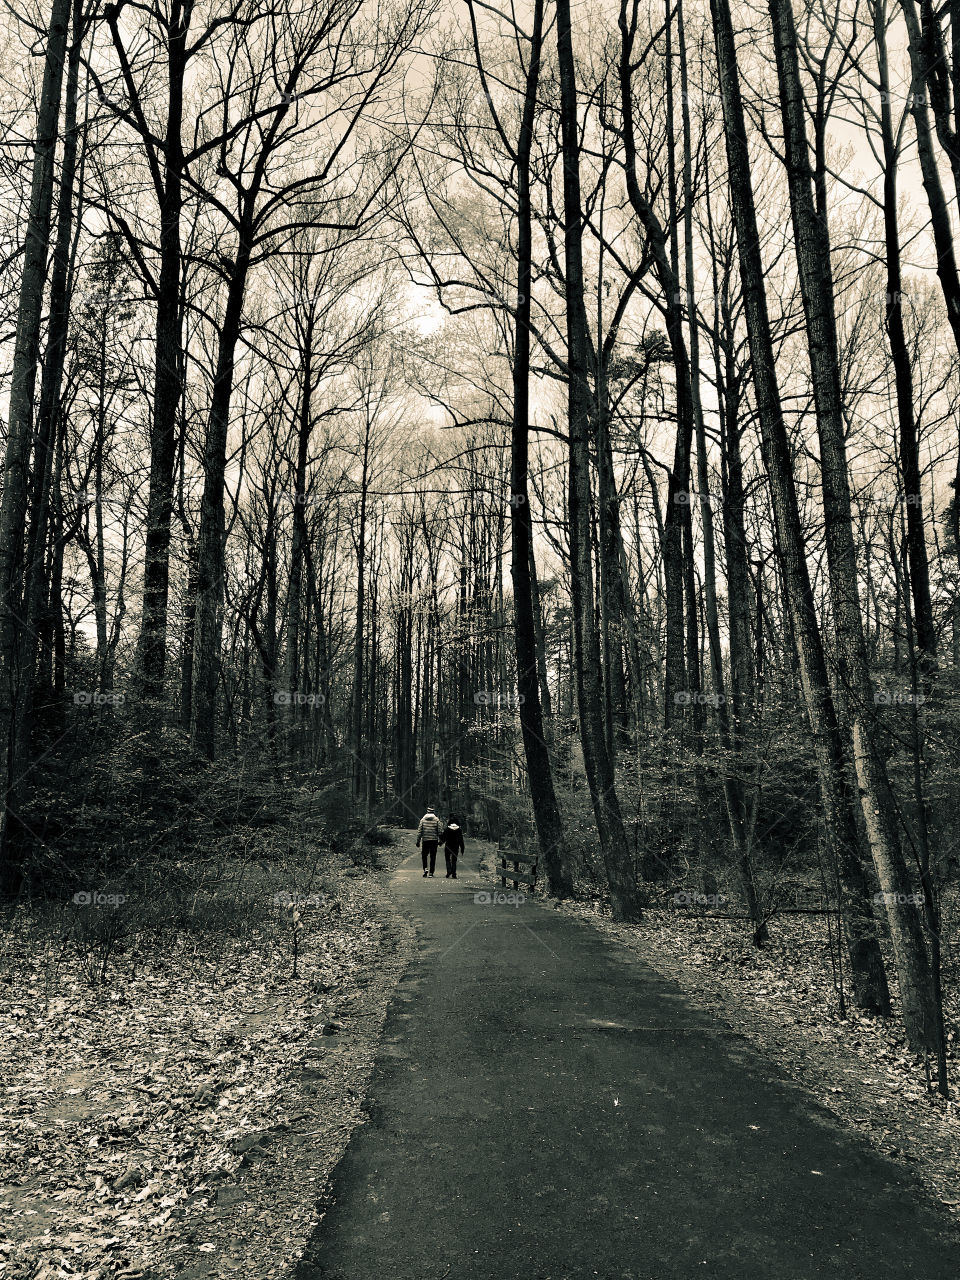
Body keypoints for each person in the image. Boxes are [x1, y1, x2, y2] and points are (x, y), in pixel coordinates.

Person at [415, 806, 441, 877]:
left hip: (425, 840)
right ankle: (431, 873)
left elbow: (419, 831)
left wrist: (418, 841)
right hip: (434, 841)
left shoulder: (423, 820)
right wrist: (440, 840)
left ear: (427, 812)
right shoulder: (437, 820)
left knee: (424, 855)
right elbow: (440, 831)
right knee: (433, 856)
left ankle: (425, 868)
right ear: (433, 812)